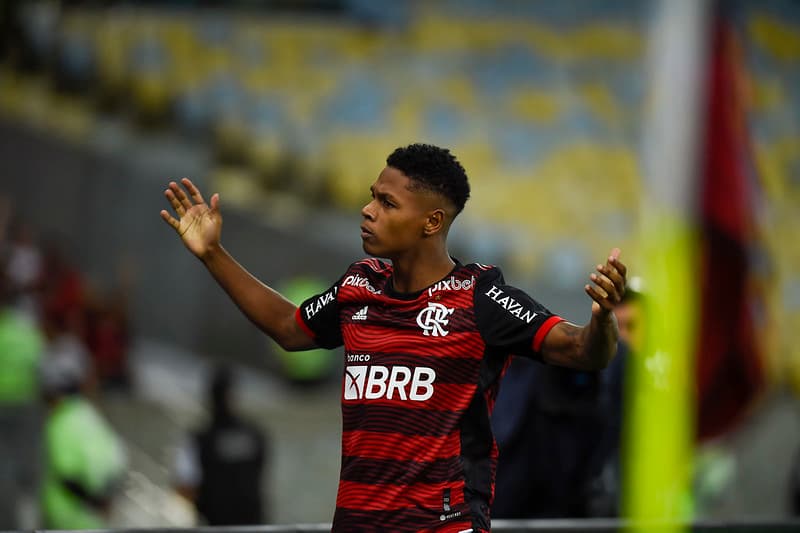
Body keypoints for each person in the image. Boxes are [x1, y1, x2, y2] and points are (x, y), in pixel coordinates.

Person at [160, 143, 627, 532]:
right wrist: (213, 254)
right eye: (372, 197)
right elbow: (288, 327)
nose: (367, 211)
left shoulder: (479, 297)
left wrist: (602, 319)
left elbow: (582, 350)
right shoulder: (357, 287)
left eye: (387, 202)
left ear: (431, 222)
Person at [172, 363, 269, 525]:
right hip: (254, 524)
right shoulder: (255, 434)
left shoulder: (199, 439)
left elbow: (185, 487)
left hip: (216, 525)